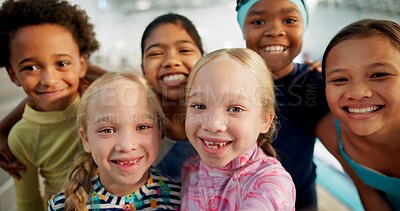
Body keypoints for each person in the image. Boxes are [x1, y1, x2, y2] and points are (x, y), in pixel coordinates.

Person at [0, 0, 100, 210]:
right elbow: (28, 203)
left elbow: (125, 83)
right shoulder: (21, 136)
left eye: (61, 63)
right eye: (31, 67)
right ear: (13, 75)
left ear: (82, 65)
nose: (49, 79)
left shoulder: (98, 104)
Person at [235, 0, 329, 210]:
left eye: (289, 20)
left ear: (303, 28)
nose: (275, 30)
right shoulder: (231, 82)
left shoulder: (314, 83)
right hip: (240, 200)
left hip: (301, 199)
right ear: (243, 30)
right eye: (258, 21)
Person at [181, 48, 295, 210]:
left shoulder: (270, 184)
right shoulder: (190, 168)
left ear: (265, 120)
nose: (213, 125)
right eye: (199, 106)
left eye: (235, 109)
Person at [48, 72, 181, 211]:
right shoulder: (62, 206)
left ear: (159, 132)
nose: (126, 145)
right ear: (86, 139)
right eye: (107, 131)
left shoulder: (180, 198)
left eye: (142, 127)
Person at [316, 19, 400, 211]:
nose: (357, 93)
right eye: (340, 79)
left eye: (378, 75)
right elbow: (368, 193)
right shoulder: (330, 132)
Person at [141, 13, 204, 180]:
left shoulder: (225, 125)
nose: (171, 61)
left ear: (204, 60)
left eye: (184, 50)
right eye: (155, 53)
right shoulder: (133, 135)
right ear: (142, 68)